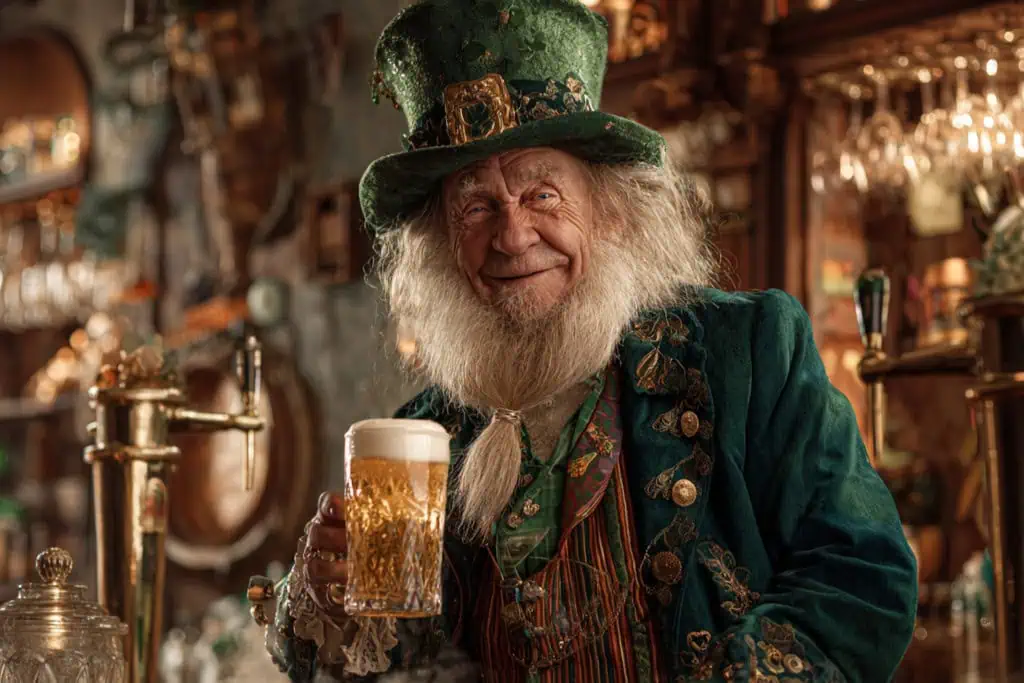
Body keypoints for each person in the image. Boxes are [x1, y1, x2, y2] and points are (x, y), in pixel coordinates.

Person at [258, 0, 918, 680]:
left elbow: (864, 576)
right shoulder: (428, 435)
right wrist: (329, 600)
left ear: (611, 211)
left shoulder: (750, 351)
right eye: (476, 206)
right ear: (441, 247)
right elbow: (393, 658)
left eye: (542, 195)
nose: (513, 235)